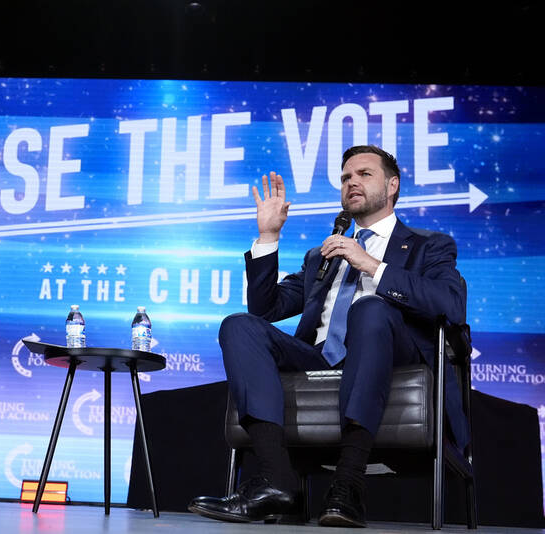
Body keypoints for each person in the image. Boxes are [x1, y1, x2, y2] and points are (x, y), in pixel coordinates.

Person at [188, 145, 468, 527]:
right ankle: (276, 479)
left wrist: (371, 264)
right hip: (322, 358)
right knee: (238, 325)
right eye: (345, 177)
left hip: (393, 355)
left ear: (392, 185)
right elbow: (265, 310)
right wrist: (268, 237)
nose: (351, 182)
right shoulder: (322, 255)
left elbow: (449, 303)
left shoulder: (429, 244)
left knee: (369, 309)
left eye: (364, 174)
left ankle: (348, 484)